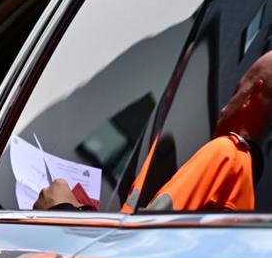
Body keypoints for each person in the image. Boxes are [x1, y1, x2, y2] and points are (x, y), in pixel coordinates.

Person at [35, 50, 272, 212]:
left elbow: (136, 250)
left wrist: (64, 210)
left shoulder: (227, 156)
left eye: (235, 92)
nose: (222, 108)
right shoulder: (245, 188)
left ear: (251, 95)